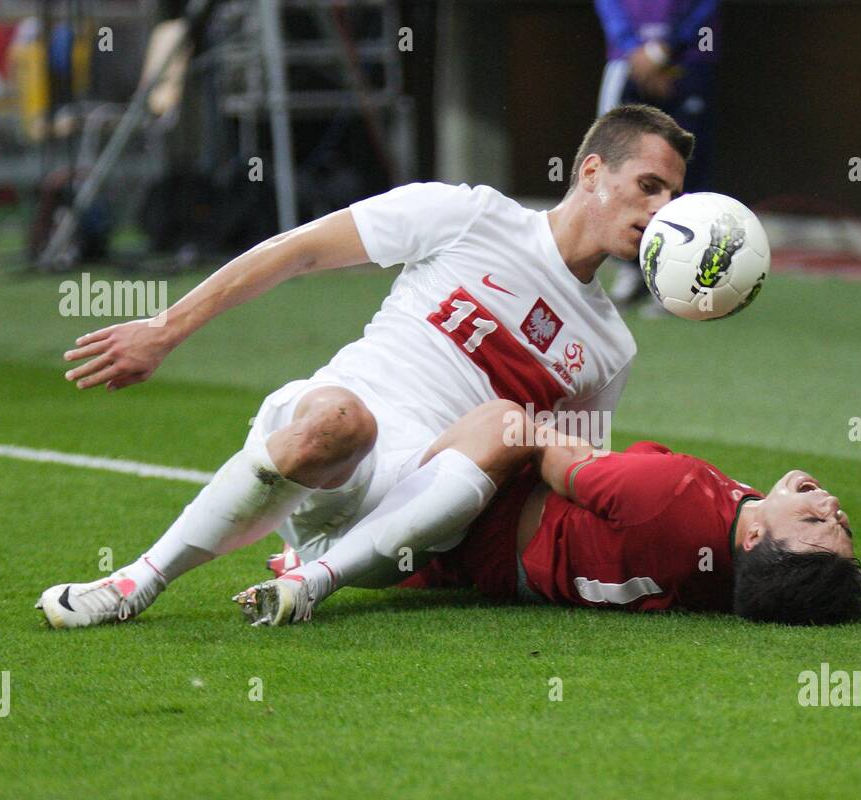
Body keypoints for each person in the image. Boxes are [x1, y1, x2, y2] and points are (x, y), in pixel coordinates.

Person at [37, 105, 693, 628]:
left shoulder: (610, 348)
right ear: (590, 173)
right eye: (648, 186)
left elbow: (562, 477)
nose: (661, 209)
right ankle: (135, 581)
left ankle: (310, 582)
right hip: (335, 436)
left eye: (672, 195)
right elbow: (298, 252)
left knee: (508, 428)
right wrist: (165, 328)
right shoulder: (468, 216)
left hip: (406, 524)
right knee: (344, 422)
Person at [268, 402, 861, 626]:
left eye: (817, 523)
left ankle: (322, 560)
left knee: (507, 416)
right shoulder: (739, 584)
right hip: (511, 575)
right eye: (839, 523)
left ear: (759, 536)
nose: (832, 507)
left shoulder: (677, 492)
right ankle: (323, 551)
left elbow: (550, 456)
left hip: (488, 521)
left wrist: (569, 438)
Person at [594, 0, 721, 309]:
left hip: (690, 59)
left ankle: (683, 274)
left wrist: (667, 48)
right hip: (628, 62)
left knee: (686, 170)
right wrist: (633, 48)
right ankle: (629, 268)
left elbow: (704, 7)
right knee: (620, 166)